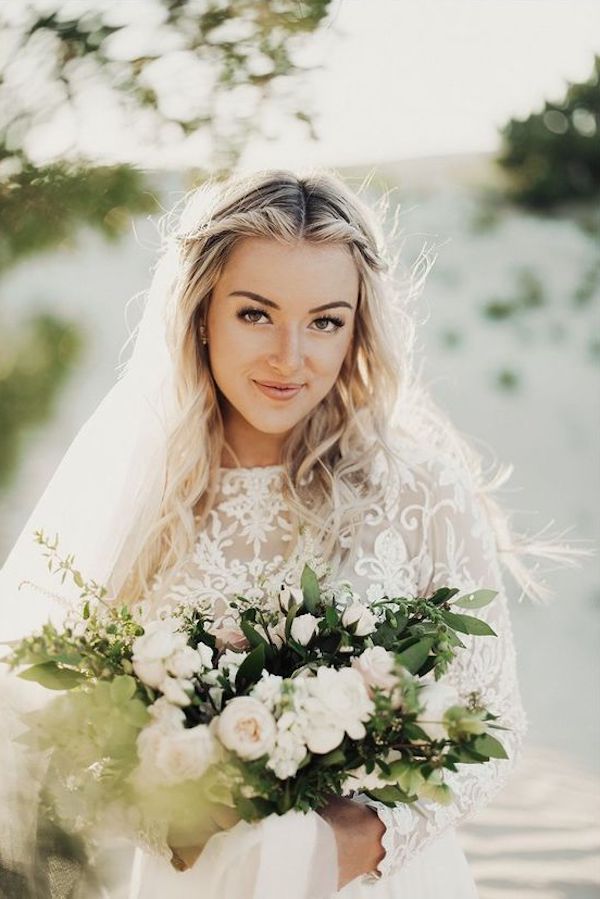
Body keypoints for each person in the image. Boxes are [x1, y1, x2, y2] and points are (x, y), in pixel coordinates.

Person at [0, 168, 588, 899]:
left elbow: (491, 720)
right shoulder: (139, 497)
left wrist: (351, 842)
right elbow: (63, 724)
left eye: (325, 321)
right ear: (201, 314)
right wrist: (166, 813)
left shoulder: (421, 489)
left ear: (357, 327)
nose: (291, 356)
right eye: (255, 314)